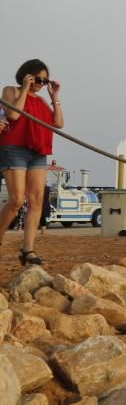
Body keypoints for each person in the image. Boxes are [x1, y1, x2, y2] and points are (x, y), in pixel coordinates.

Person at [0, 59, 63, 265]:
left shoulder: (42, 101)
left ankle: (28, 250)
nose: (41, 84)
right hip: (14, 148)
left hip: (38, 152)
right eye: (38, 79)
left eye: (44, 81)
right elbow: (13, 115)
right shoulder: (11, 91)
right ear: (27, 75)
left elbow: (58, 123)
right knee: (17, 200)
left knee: (36, 201)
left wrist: (54, 97)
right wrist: (25, 89)